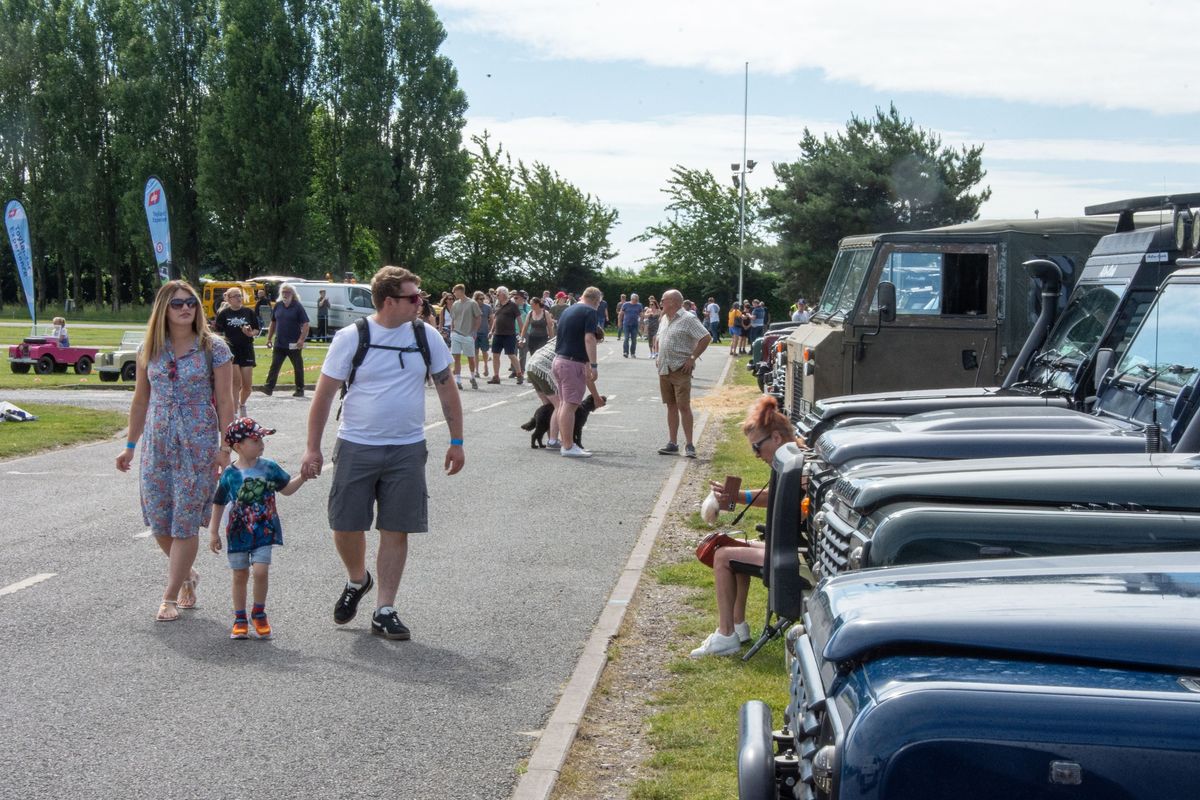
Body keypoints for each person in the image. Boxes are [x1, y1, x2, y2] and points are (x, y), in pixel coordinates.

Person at [301, 265, 465, 641]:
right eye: (413, 297)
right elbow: (324, 396)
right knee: (345, 524)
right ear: (390, 301)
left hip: (407, 447)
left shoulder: (427, 337)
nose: (420, 302)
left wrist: (456, 441)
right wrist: (312, 448)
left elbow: (446, 390)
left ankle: (385, 608)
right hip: (357, 443)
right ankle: (358, 580)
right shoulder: (351, 337)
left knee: (396, 526)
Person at [116, 280, 235, 622]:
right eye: (178, 303)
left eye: (191, 303)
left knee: (184, 522)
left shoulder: (214, 348)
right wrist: (129, 446)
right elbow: (140, 400)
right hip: (157, 440)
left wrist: (225, 446)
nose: (186, 308)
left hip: (197, 443)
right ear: (163, 309)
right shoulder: (149, 349)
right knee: (158, 520)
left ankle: (169, 595)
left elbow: (226, 401)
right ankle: (187, 574)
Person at [690, 395, 802, 657]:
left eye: (756, 447)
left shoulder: (796, 467)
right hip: (792, 549)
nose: (755, 455)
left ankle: (726, 634)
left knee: (722, 556)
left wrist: (737, 497)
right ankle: (738, 626)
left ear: (775, 438)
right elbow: (775, 496)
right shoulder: (795, 459)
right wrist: (737, 497)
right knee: (734, 547)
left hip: (793, 556)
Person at [208, 417, 308, 639]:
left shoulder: (269, 468)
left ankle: (259, 612)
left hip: (264, 530)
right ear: (237, 446)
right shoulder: (230, 474)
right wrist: (213, 531)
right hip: (238, 533)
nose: (261, 443)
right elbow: (218, 502)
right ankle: (240, 617)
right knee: (240, 574)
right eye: (255, 440)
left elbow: (287, 489)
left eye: (262, 439)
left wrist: (303, 477)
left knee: (261, 571)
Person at [655, 290, 711, 459]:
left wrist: (692, 358)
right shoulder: (664, 318)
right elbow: (659, 338)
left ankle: (689, 444)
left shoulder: (688, 318)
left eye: (663, 300)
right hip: (664, 368)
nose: (661, 303)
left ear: (672, 302)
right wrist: (658, 355)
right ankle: (672, 443)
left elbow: (705, 337)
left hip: (680, 369)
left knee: (683, 406)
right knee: (670, 406)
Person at [552, 287, 605, 458]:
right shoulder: (589, 312)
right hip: (572, 363)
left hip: (559, 359)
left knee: (564, 403)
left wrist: (587, 364)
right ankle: (568, 446)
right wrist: (594, 365)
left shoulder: (568, 310)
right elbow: (589, 338)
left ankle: (566, 442)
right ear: (597, 301)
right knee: (571, 404)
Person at [213, 287, 259, 417]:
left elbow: (256, 330)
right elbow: (217, 332)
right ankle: (233, 412)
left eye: (240, 296)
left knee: (247, 386)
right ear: (228, 298)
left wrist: (250, 333)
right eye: (235, 296)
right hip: (231, 349)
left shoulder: (248, 312)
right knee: (236, 382)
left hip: (247, 349)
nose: (239, 298)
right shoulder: (224, 314)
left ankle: (242, 403)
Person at [263, 283, 310, 397]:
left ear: (292, 294)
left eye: (288, 292)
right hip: (279, 342)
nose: (285, 294)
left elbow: (306, 324)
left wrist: (301, 339)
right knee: (275, 365)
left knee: (297, 366)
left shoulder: (297, 306)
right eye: (283, 292)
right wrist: (269, 338)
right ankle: (269, 387)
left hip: (293, 343)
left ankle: (300, 389)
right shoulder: (278, 305)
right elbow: (273, 323)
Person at [448, 283, 481, 390]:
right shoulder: (455, 304)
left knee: (470, 358)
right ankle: (458, 380)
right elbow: (453, 319)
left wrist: (474, 332)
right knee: (456, 357)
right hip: (456, 334)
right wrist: (452, 331)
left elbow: (478, 317)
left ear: (461, 291)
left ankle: (472, 376)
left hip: (468, 335)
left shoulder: (472, 303)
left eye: (455, 291)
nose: (454, 294)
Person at [488, 286, 523, 384]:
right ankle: (496, 376)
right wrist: (491, 330)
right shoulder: (497, 305)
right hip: (498, 334)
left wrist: (522, 334)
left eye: (498, 293)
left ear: (503, 294)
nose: (496, 295)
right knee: (495, 355)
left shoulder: (513, 305)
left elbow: (519, 320)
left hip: (509, 334)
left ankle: (519, 374)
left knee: (511, 355)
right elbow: (495, 318)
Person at [521, 296, 555, 360]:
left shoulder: (545, 313)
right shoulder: (530, 313)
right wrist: (521, 338)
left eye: (532, 304)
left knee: (540, 357)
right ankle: (533, 370)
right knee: (533, 356)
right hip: (532, 338)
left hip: (543, 339)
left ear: (537, 304)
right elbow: (525, 326)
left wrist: (551, 340)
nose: (530, 306)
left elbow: (550, 327)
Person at [619, 292, 644, 358]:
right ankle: (625, 352)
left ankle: (632, 353)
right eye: (635, 300)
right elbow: (621, 314)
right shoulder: (625, 304)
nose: (636, 301)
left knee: (634, 339)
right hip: (626, 324)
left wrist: (641, 323)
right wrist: (619, 322)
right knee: (626, 338)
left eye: (637, 300)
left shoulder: (639, 305)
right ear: (632, 299)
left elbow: (641, 315)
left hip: (635, 325)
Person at [473, 290, 492, 376]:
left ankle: (486, 366)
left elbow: (491, 318)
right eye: (480, 299)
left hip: (484, 332)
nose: (482, 300)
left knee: (484, 351)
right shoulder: (472, 307)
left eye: (483, 298)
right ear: (476, 299)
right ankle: (476, 370)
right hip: (474, 332)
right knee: (475, 352)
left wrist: (491, 330)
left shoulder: (487, 307)